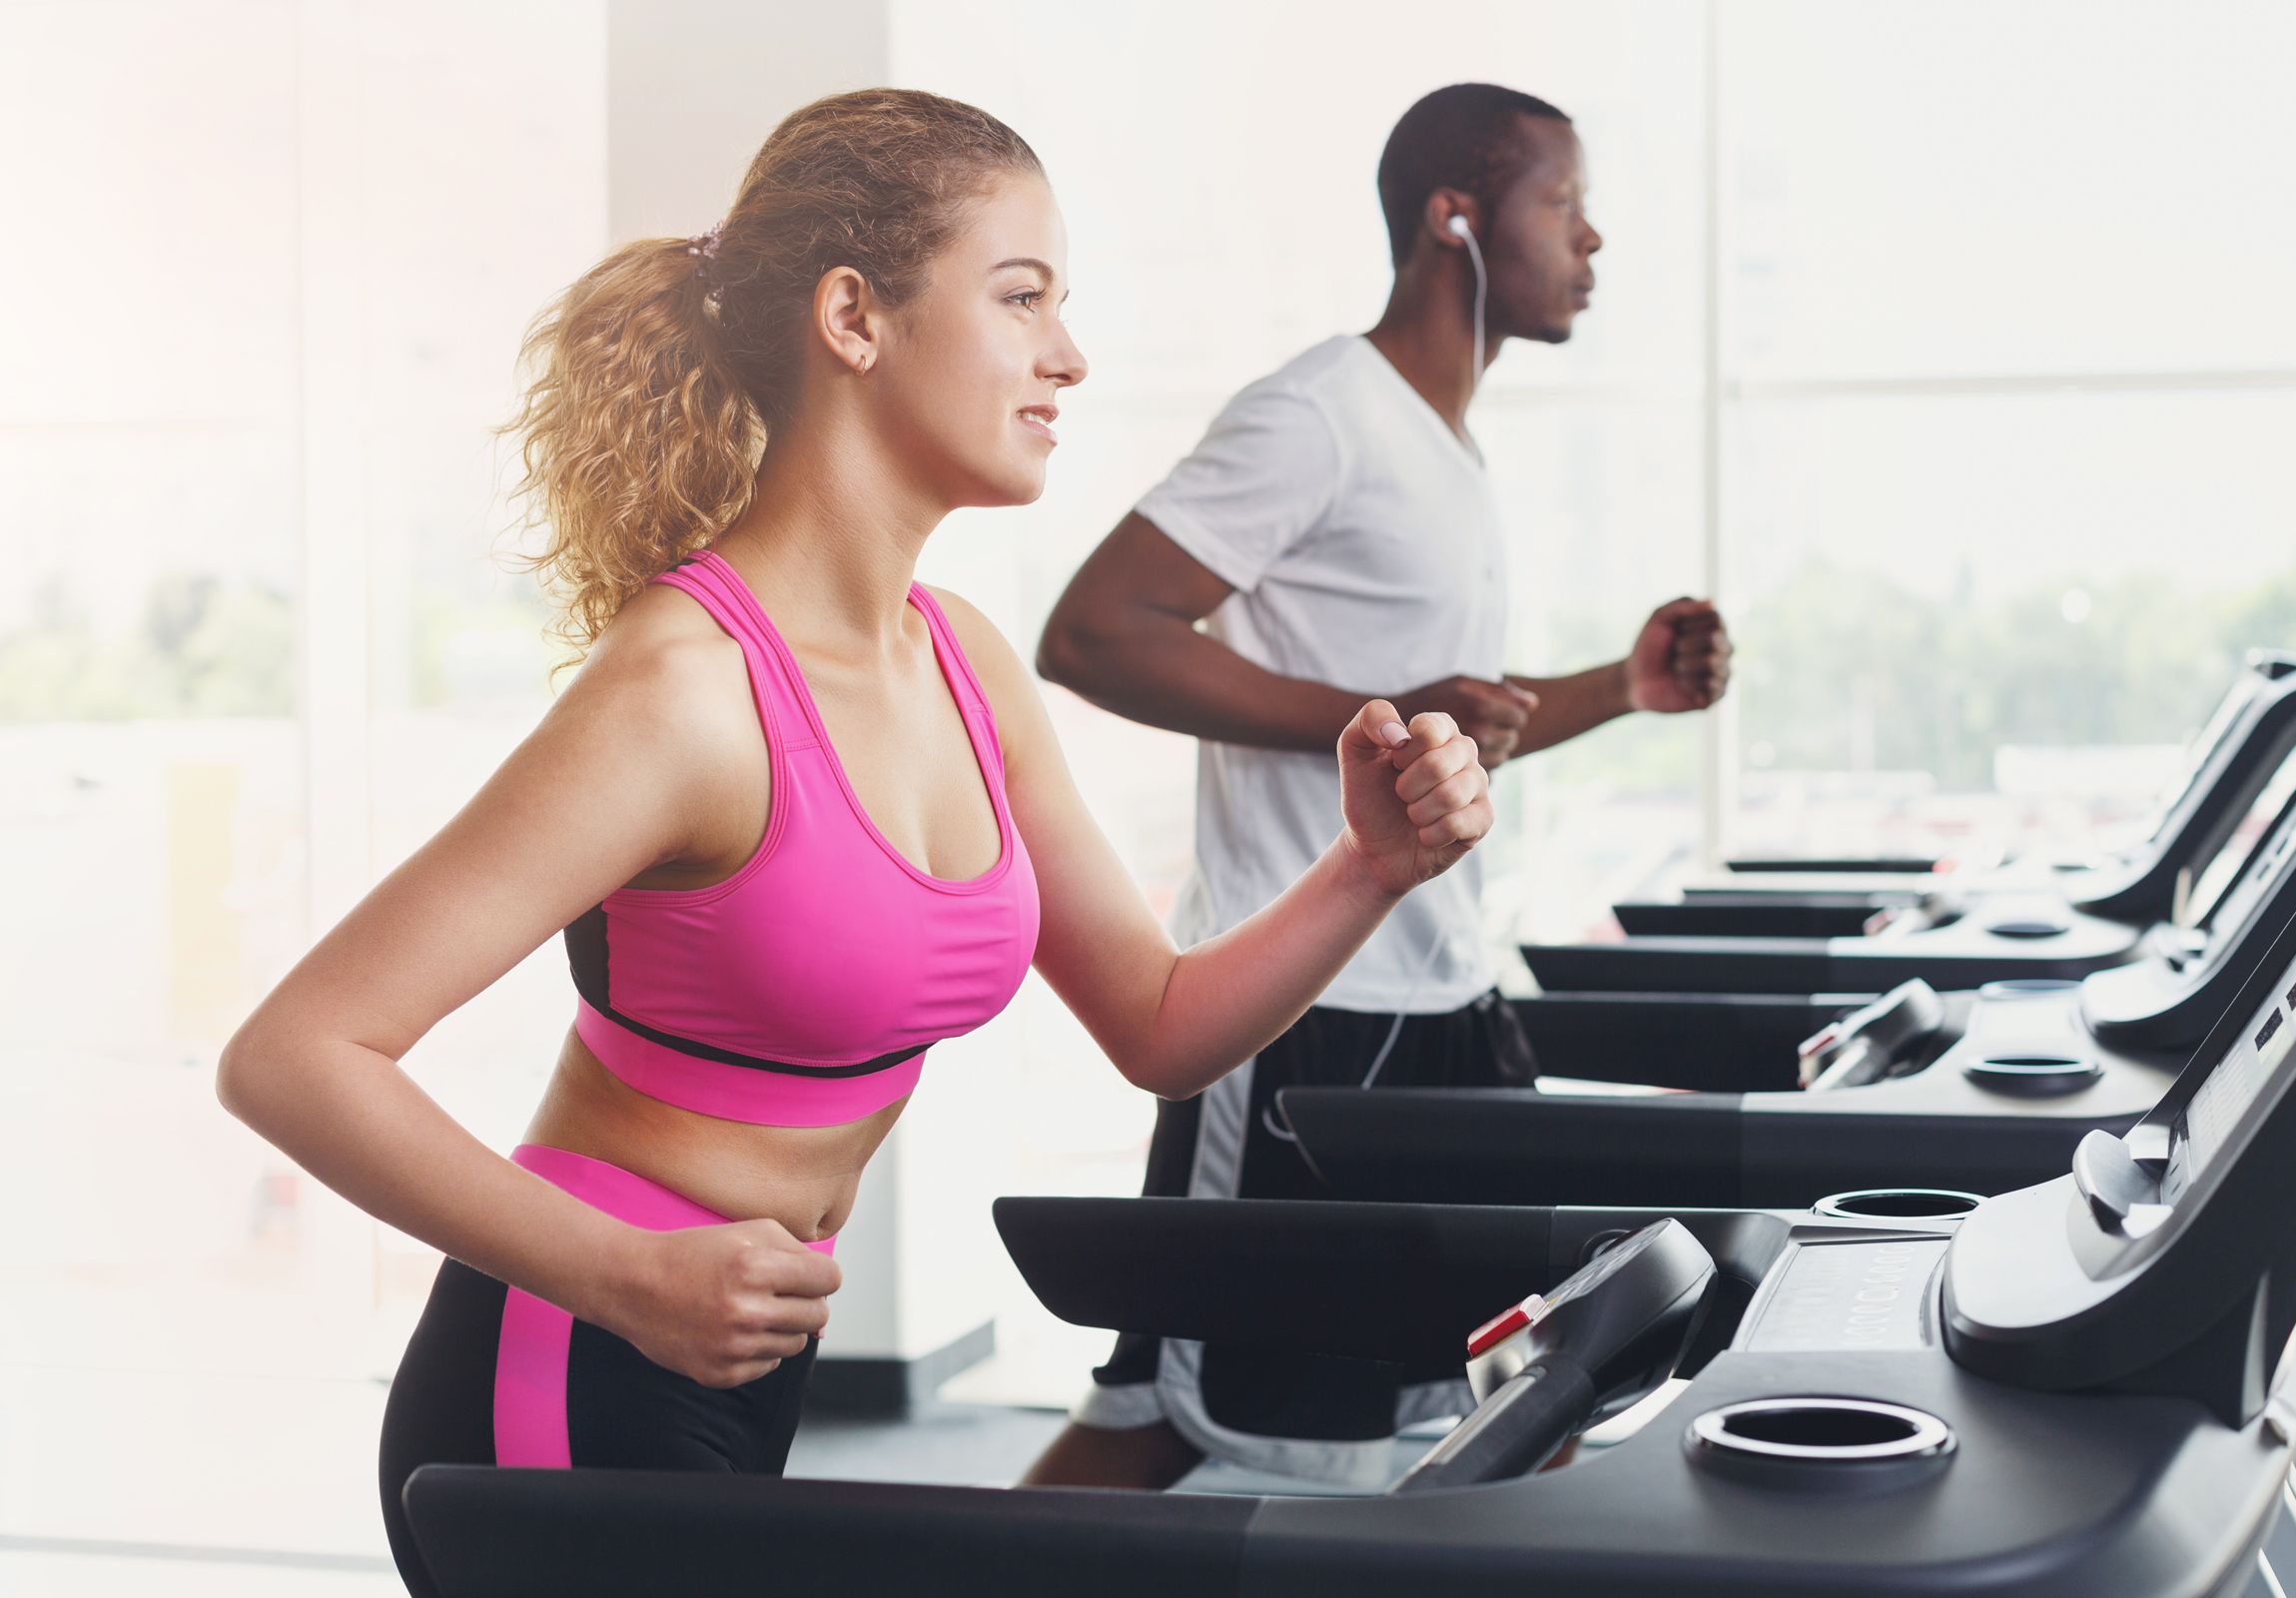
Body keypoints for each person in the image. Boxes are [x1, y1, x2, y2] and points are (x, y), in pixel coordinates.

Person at [213, 88, 1494, 1595]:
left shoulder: (962, 662)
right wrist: (626, 1275)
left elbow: (1159, 1027)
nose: (1067, 355)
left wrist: (1367, 869)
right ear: (854, 317)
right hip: (573, 1364)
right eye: (1021, 299)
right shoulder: (688, 692)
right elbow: (296, 1054)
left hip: (741, 1363)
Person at [1025, 83, 1732, 1492]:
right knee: (1176, 1412)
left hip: (1444, 1004)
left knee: (1531, 1389)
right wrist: (1387, 718)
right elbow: (1094, 633)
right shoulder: (1321, 413)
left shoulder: (1446, 445)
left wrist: (1625, 686)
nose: (1591, 242)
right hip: (1304, 1025)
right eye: (1561, 203)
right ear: (1454, 220)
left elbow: (1454, 733)